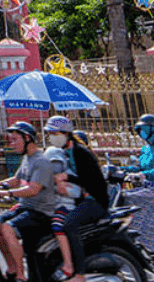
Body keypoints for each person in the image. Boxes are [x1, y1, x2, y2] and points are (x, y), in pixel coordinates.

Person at [0, 121, 59, 282]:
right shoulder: (27, 159)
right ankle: (12, 268)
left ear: (27, 138)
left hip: (41, 212)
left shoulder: (41, 161)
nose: (12, 143)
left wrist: (6, 192)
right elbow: (16, 179)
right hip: (26, 207)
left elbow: (33, 189)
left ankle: (21, 276)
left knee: (8, 228)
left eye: (15, 139)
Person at [43, 116, 106, 282]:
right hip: (78, 199)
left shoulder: (81, 153)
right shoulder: (62, 153)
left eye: (54, 133)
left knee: (69, 224)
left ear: (66, 134)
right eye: (49, 133)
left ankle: (79, 274)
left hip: (95, 201)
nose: (51, 136)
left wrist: (66, 178)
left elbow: (88, 180)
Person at [118, 113, 154, 256]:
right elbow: (139, 167)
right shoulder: (145, 149)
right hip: (147, 185)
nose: (142, 133)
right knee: (123, 196)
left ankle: (149, 249)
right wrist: (122, 170)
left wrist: (144, 175)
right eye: (140, 130)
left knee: (151, 220)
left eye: (145, 129)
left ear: (153, 130)